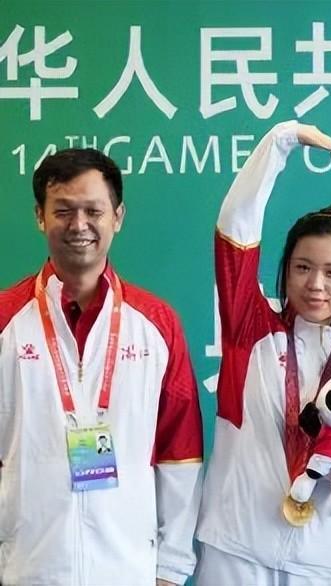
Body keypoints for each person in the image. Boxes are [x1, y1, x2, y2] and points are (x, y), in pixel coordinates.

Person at [0, 149, 204, 586]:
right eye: (63, 211)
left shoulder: (157, 323)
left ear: (118, 217)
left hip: (127, 569)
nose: (79, 225)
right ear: (39, 217)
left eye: (93, 211)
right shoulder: (5, 320)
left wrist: (171, 566)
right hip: (28, 569)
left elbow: (179, 450)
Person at [194, 120, 331, 585]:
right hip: (235, 550)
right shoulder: (249, 329)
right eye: (303, 267)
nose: (316, 284)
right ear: (285, 270)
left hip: (320, 561)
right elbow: (234, 229)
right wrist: (281, 141)